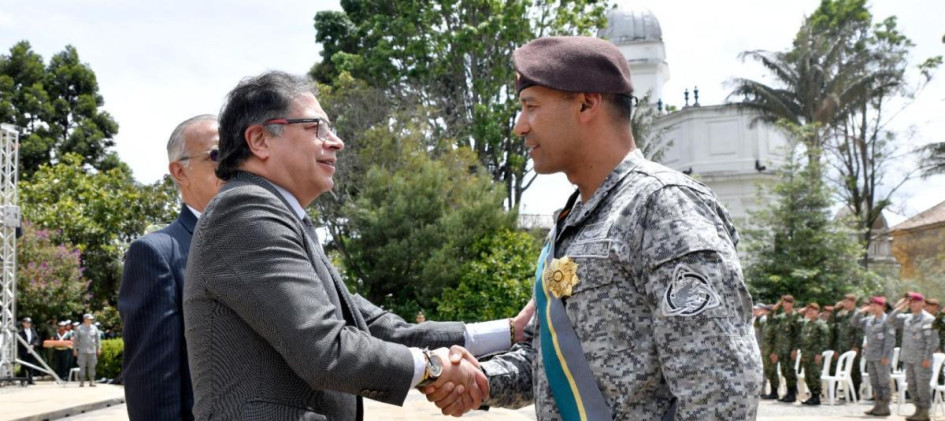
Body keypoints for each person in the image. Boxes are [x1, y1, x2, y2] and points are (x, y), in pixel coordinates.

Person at [434, 36, 762, 420]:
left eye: (530, 107)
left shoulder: (662, 206)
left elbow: (719, 389)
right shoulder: (572, 222)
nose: (520, 127)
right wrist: (484, 380)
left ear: (586, 104)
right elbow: (550, 358)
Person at [183, 71, 531, 420]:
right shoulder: (245, 213)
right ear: (259, 140)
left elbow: (378, 328)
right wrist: (433, 367)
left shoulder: (278, 217)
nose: (336, 142)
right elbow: (325, 350)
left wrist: (510, 331)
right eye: (316, 128)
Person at [118, 114, 223, 420]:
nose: (233, 164)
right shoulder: (156, 254)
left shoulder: (261, 242)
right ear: (180, 171)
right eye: (217, 155)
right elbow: (152, 391)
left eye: (238, 153)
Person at [887, 293, 939, 421]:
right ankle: (918, 409)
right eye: (911, 303)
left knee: (922, 387)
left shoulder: (929, 319)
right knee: (912, 386)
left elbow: (932, 341)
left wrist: (927, 358)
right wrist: (900, 307)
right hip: (909, 358)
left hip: (922, 359)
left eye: (916, 302)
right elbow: (890, 320)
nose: (913, 305)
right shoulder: (907, 318)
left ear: (923, 304)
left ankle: (924, 412)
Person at [852, 296, 896, 416]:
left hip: (882, 356)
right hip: (871, 356)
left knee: (884, 382)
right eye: (871, 305)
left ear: (883, 307)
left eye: (876, 305)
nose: (873, 307)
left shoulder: (888, 320)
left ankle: (885, 407)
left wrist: (886, 356)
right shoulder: (869, 320)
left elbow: (890, 341)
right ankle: (877, 406)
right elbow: (855, 323)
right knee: (875, 383)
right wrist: (860, 311)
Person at [830, 294, 864, 398]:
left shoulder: (858, 314)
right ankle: (843, 392)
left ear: (853, 302)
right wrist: (835, 310)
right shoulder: (842, 314)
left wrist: (856, 345)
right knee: (842, 369)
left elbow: (859, 331)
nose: (844, 303)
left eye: (847, 301)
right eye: (843, 301)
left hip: (852, 346)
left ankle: (854, 393)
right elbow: (832, 325)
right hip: (841, 346)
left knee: (854, 370)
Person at [770, 295, 802, 402]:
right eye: (783, 302)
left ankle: (792, 394)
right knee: (784, 371)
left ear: (792, 304)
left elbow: (798, 335)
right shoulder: (781, 317)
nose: (785, 304)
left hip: (790, 349)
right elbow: (770, 320)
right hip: (781, 350)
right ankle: (788, 393)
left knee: (790, 372)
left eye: (787, 302)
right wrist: (775, 307)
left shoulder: (796, 316)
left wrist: (795, 349)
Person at [798, 303, 829, 405]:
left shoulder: (821, 325)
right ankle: (812, 395)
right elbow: (803, 340)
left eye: (813, 310)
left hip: (815, 354)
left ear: (818, 312)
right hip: (807, 354)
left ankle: (816, 396)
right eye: (809, 311)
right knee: (808, 376)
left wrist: (819, 353)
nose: (810, 312)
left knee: (815, 375)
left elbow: (824, 340)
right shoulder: (807, 324)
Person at [72, 314, 102, 387]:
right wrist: (75, 349)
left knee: (92, 366)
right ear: (85, 319)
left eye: (91, 319)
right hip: (82, 351)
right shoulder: (79, 328)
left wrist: (99, 348)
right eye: (89, 319)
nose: (91, 320)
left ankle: (92, 381)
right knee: (82, 366)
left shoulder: (94, 328)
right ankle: (82, 381)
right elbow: (75, 340)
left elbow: (98, 339)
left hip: (92, 351)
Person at [17, 317, 40, 385]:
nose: (28, 324)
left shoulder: (33, 331)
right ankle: (23, 380)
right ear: (23, 323)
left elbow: (37, 339)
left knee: (31, 365)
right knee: (23, 365)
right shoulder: (20, 332)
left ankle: (30, 379)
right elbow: (19, 341)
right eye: (26, 323)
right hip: (24, 350)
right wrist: (26, 346)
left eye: (29, 323)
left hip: (31, 350)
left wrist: (34, 345)